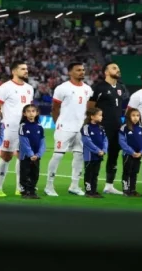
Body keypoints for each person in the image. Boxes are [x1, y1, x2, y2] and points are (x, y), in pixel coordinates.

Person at [45, 62, 93, 197]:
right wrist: (58, 123)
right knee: (58, 155)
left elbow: (89, 109)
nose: (82, 72)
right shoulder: (62, 88)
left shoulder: (88, 89)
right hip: (65, 127)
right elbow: (55, 108)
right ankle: (49, 186)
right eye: (78, 70)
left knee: (79, 156)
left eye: (83, 70)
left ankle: (74, 186)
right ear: (70, 72)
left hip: (81, 128)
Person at [89, 62, 130, 195]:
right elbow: (90, 107)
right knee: (96, 156)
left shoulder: (120, 87)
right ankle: (90, 186)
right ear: (106, 72)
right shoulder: (99, 87)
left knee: (113, 155)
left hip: (117, 127)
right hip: (101, 127)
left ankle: (109, 185)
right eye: (114, 68)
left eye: (118, 68)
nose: (118, 70)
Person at [0, 61, 34, 196]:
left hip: (25, 127)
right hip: (9, 128)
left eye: (26, 69)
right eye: (22, 69)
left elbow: (30, 108)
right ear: (14, 71)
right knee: (6, 156)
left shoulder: (29, 88)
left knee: (22, 157)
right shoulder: (5, 87)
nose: (26, 71)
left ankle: (20, 187)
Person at [119, 108, 142, 197]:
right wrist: (131, 152)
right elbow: (122, 142)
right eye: (133, 115)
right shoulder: (124, 128)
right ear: (128, 116)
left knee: (135, 172)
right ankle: (126, 190)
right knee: (127, 172)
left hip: (139, 155)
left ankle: (133, 190)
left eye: (137, 115)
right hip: (128, 154)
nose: (136, 117)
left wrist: (141, 152)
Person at [18, 104, 44, 199]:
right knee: (25, 173)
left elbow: (42, 141)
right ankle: (25, 191)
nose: (31, 113)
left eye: (33, 111)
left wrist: (39, 154)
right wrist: (31, 154)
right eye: (28, 111)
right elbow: (23, 142)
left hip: (36, 156)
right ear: (24, 114)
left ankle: (32, 190)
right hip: (26, 156)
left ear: (37, 113)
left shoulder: (39, 126)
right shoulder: (23, 126)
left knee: (35, 173)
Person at [81, 107, 108, 198]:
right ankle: (88, 191)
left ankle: (94, 190)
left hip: (99, 154)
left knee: (95, 173)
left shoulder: (101, 128)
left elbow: (105, 140)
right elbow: (86, 141)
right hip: (89, 155)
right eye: (99, 115)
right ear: (92, 116)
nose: (101, 117)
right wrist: (97, 150)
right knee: (89, 173)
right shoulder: (86, 127)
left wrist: (104, 150)